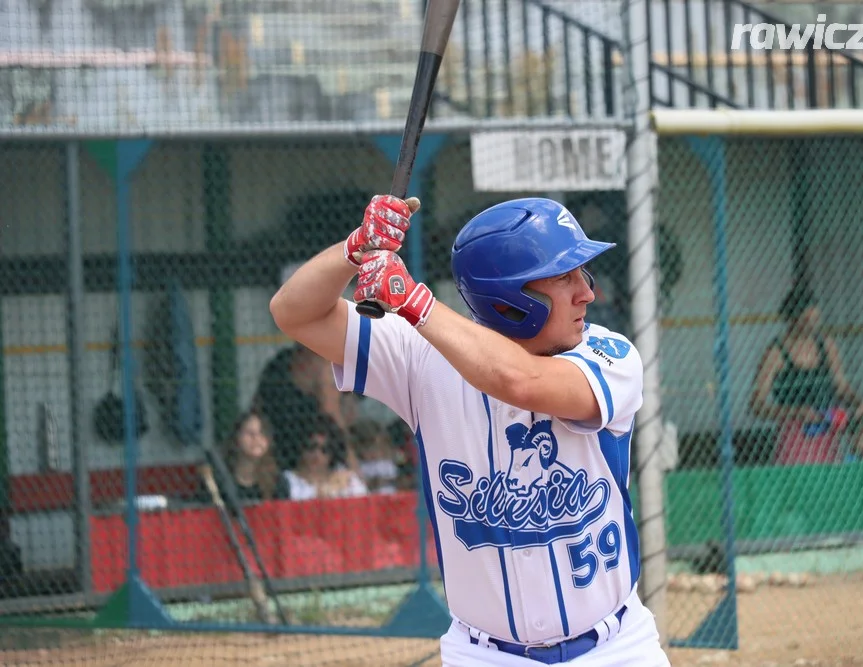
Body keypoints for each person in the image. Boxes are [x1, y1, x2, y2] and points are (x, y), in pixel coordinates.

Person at [270, 194, 670, 666]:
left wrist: (415, 303)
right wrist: (355, 249)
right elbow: (295, 313)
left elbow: (520, 381)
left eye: (582, 273)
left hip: (614, 650)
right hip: (485, 656)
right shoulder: (419, 356)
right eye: (565, 276)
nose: (588, 292)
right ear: (511, 299)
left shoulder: (610, 353)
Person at [750, 283, 863, 465]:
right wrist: (795, 412)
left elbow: (841, 387)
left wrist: (861, 403)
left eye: (815, 320)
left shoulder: (826, 346)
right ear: (792, 320)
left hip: (827, 432)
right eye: (806, 321)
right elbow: (756, 405)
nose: (812, 327)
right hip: (796, 435)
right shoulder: (776, 354)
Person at [252, 341, 356, 471]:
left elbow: (336, 417)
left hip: (318, 455)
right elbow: (258, 410)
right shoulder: (280, 364)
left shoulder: (331, 367)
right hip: (282, 447)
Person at [198, 409, 290, 504]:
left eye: (262, 433)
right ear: (237, 437)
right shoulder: (218, 480)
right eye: (250, 433)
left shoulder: (277, 481)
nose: (256, 438)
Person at [283, 415, 368, 501]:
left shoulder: (347, 479)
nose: (317, 455)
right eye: (311, 447)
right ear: (300, 446)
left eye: (325, 450)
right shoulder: (288, 481)